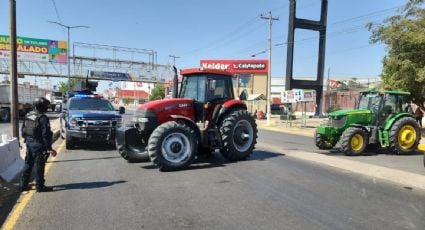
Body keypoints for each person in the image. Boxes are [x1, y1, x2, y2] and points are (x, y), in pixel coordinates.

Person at [20, 97, 57, 192]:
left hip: (29, 143)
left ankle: (23, 185)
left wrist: (27, 140)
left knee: (28, 163)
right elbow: (46, 135)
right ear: (41, 107)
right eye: (45, 106)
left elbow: (23, 130)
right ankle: (39, 186)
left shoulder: (28, 115)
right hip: (38, 145)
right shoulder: (43, 118)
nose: (46, 108)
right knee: (39, 166)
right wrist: (49, 148)